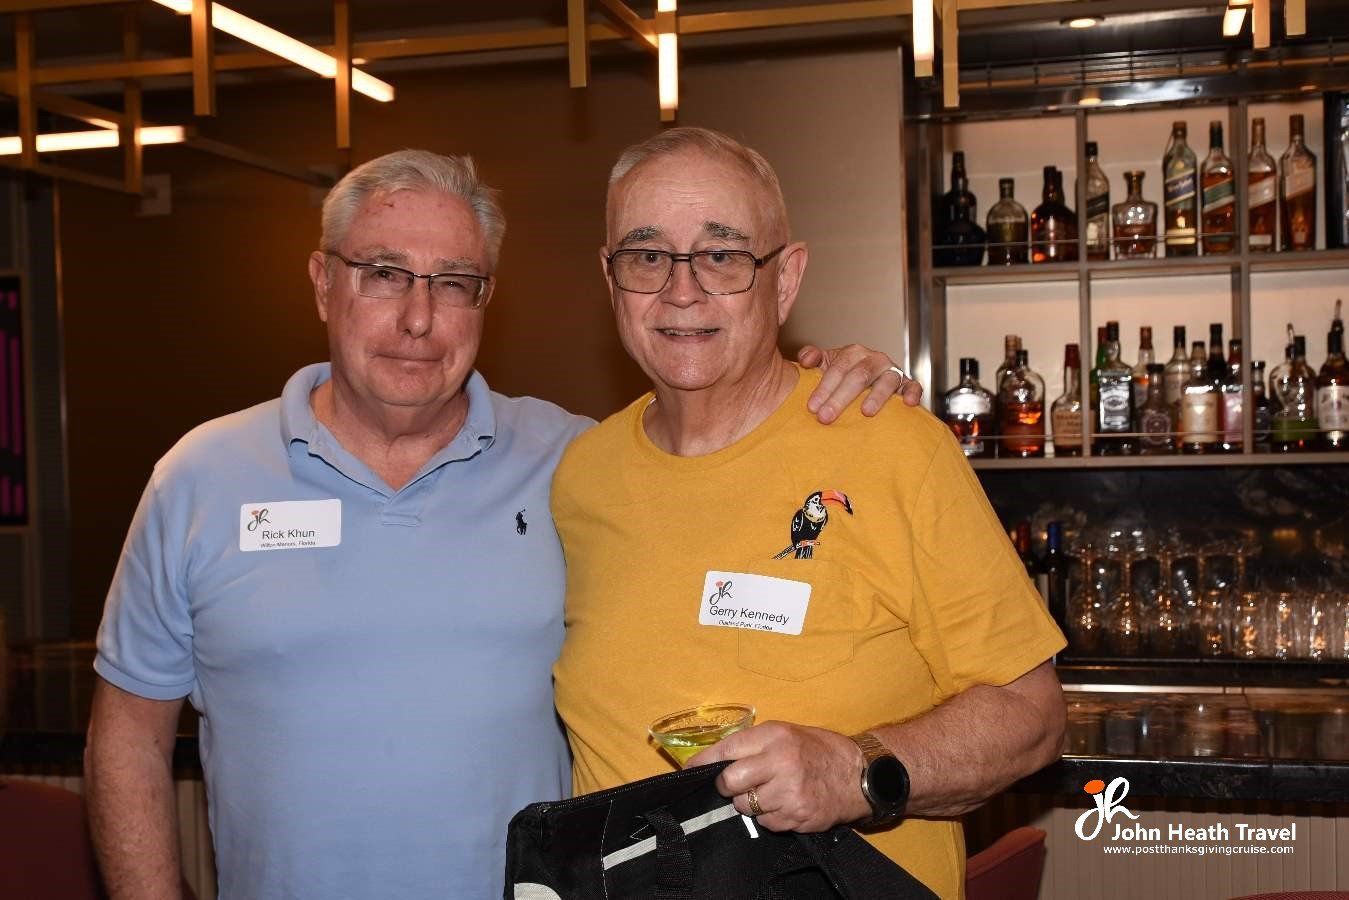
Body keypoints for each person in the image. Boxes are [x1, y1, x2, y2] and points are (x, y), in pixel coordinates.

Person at [83, 148, 919, 899]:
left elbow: (729, 476)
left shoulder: (579, 465)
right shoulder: (199, 478)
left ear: (486, 298)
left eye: (454, 283)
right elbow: (126, 737)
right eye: (383, 273)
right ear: (321, 282)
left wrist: (823, 383)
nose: (419, 319)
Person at [551, 127, 1067, 899]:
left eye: (723, 255)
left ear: (784, 279)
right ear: (610, 277)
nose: (680, 290)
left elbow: (1032, 716)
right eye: (646, 255)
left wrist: (853, 770)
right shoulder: (579, 475)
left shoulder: (890, 447)